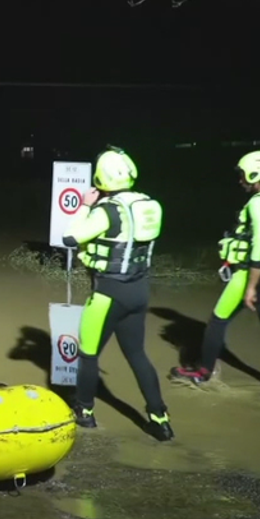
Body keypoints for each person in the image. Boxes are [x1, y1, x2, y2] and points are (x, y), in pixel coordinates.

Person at [170, 150, 260, 402]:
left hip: (250, 273)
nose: (241, 180)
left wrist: (250, 287)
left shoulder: (257, 204)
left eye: (244, 175)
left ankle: (202, 373)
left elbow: (259, 248)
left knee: (217, 321)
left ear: (256, 174)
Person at [62, 146, 174, 441]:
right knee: (137, 354)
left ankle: (84, 413)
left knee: (88, 355)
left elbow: (70, 236)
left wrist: (85, 205)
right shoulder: (151, 204)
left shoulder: (106, 211)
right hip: (139, 291)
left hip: (108, 293)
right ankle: (160, 418)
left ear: (101, 177)